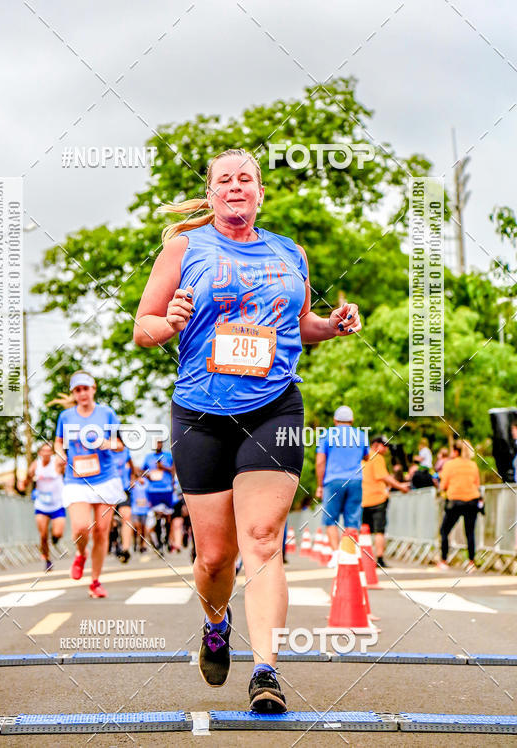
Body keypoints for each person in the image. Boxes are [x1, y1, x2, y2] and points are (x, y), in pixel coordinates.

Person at [133, 147, 361, 713]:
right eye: (224, 180)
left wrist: (332, 326)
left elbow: (300, 324)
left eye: (247, 179)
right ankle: (216, 622)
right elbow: (143, 328)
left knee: (262, 541)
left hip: (274, 407)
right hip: (201, 413)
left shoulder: (290, 252)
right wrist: (172, 322)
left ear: (260, 192)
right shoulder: (184, 248)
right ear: (211, 194)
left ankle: (266, 673)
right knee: (214, 558)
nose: (236, 186)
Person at [51, 371, 127, 598]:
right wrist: (59, 456)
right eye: (77, 390)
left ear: (93, 388)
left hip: (105, 477)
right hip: (76, 479)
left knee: (102, 531)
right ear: (74, 394)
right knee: (81, 527)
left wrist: (107, 443)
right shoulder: (66, 416)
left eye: (85, 388)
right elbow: (58, 442)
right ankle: (80, 553)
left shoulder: (107, 414)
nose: (82, 393)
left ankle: (95, 581)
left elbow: (120, 445)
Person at [315, 406, 369, 567]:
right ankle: (350, 554)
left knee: (330, 518)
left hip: (333, 481)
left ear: (335, 420)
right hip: (355, 481)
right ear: (352, 421)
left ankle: (336, 554)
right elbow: (366, 456)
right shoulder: (360, 435)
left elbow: (320, 462)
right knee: (352, 518)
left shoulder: (326, 435)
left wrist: (320, 485)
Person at [361, 435, 409, 567]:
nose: (387, 448)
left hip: (362, 499)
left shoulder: (362, 457)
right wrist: (400, 486)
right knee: (379, 531)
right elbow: (384, 477)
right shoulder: (376, 457)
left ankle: (361, 558)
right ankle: (380, 559)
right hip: (377, 499)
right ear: (376, 445)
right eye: (385, 445)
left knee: (363, 530)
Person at [438, 440, 481, 573]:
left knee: (444, 530)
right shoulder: (473, 465)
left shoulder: (449, 465)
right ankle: (471, 562)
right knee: (469, 532)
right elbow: (477, 484)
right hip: (472, 501)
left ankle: (444, 560)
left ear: (455, 451)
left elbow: (443, 485)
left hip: (455, 501)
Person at [24, 443, 66, 571]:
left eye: (49, 451)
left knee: (58, 532)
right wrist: (25, 481)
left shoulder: (57, 463)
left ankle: (55, 537)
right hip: (42, 504)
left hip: (57, 504)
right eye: (44, 451)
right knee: (42, 535)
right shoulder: (36, 465)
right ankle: (47, 560)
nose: (46, 453)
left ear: (52, 453)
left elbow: (66, 469)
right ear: (40, 453)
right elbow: (28, 479)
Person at [142, 439, 175, 553]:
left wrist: (163, 467)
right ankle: (159, 543)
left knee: (168, 516)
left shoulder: (168, 456)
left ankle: (167, 538)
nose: (158, 445)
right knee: (156, 516)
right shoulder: (148, 457)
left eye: (160, 442)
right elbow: (143, 471)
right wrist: (148, 476)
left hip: (166, 490)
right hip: (153, 490)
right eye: (156, 443)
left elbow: (173, 470)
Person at [114, 441, 136, 563]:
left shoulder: (125, 452)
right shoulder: (104, 452)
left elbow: (132, 468)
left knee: (126, 516)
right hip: (108, 491)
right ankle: (115, 543)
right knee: (109, 523)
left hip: (124, 490)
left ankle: (126, 549)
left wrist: (132, 479)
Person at [130, 473, 151, 552]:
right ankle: (135, 542)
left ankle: (142, 544)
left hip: (144, 509)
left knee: (142, 527)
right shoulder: (134, 483)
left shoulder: (147, 483)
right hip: (135, 509)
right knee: (136, 526)